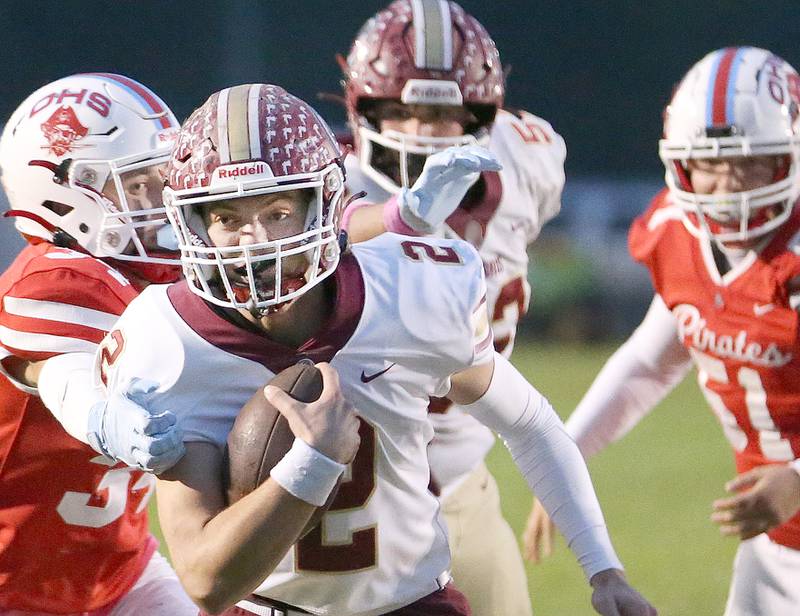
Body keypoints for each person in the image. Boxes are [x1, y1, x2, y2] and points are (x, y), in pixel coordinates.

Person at [92, 82, 656, 616]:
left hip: (412, 604)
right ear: (188, 221)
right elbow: (206, 582)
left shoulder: (412, 289)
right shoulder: (167, 340)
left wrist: (603, 569)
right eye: (226, 217)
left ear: (325, 206)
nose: (253, 241)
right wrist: (314, 463)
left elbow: (529, 422)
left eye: (278, 212)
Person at [522, 47, 800, 616]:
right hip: (778, 542)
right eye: (710, 162)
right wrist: (564, 463)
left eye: (751, 163)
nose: (728, 188)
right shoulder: (677, 234)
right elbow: (652, 359)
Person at [336, 3, 566, 613]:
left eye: (442, 114)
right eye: (403, 110)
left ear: (480, 116)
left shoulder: (526, 160)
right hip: (358, 500)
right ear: (365, 108)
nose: (421, 131)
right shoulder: (330, 189)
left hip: (464, 483)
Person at [0, 74, 195, 614]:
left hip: (119, 570)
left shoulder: (155, 275)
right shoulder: (54, 277)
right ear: (61, 196)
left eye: (161, 179)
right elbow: (57, 372)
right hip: (13, 585)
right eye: (135, 185)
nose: (160, 200)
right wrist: (102, 417)